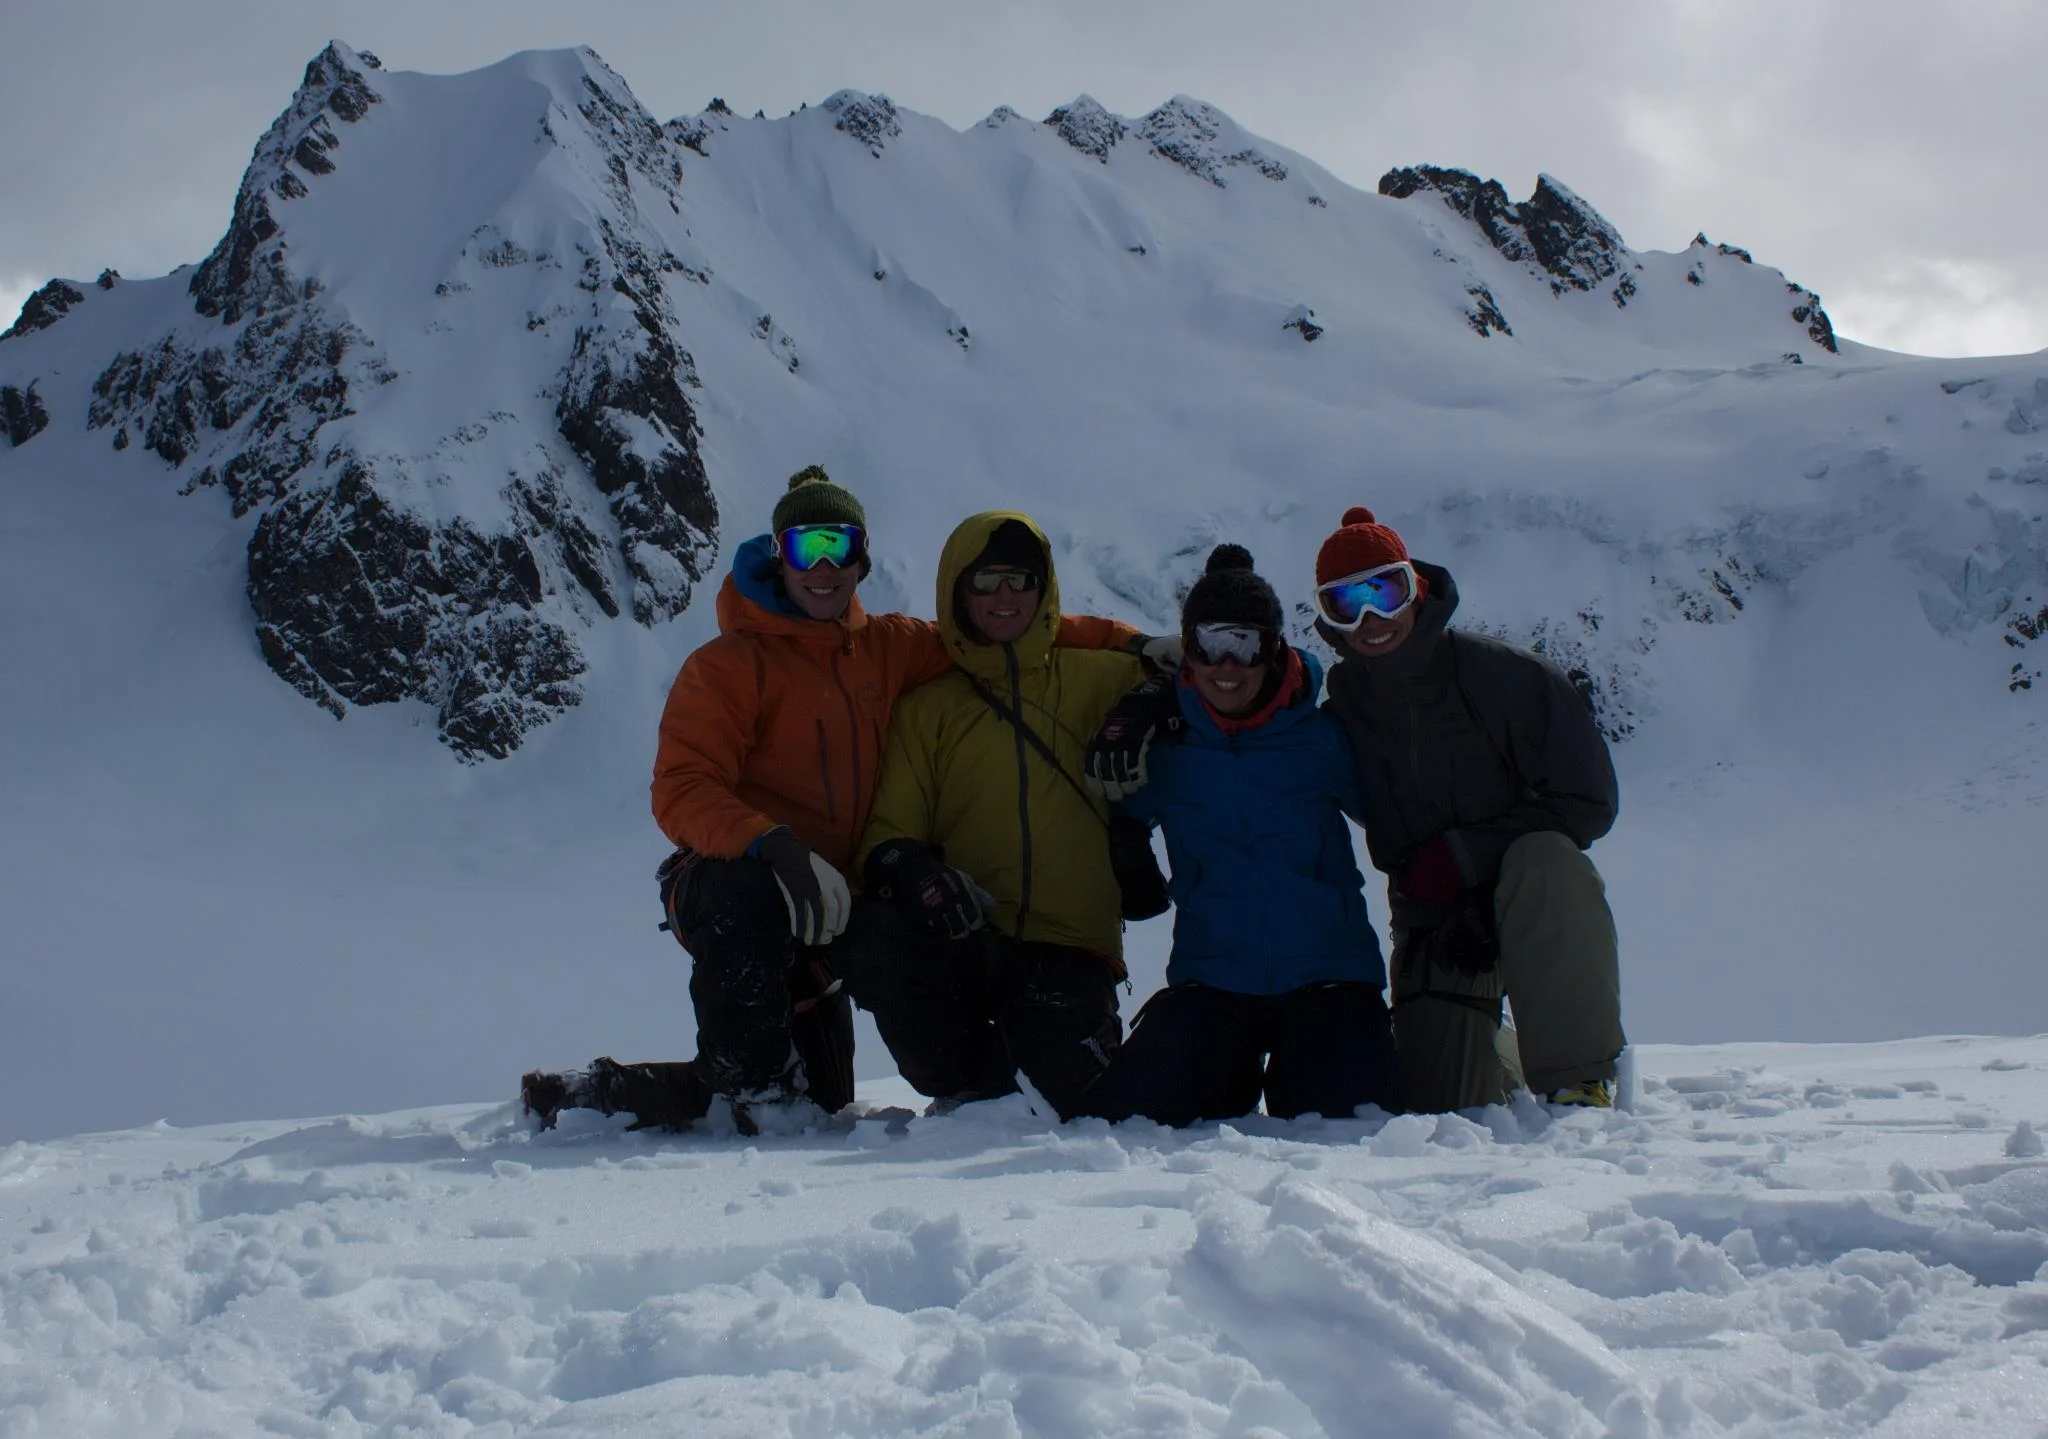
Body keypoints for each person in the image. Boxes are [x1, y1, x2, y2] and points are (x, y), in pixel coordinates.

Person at [518, 468, 1149, 1132]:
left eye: (839, 547)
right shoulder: (727, 666)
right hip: (741, 891)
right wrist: (772, 841)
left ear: (862, 559)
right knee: (752, 968)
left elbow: (999, 634)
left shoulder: (891, 647)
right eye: (803, 549)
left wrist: (1134, 645)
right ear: (778, 558)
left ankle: (616, 1092)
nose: (822, 567)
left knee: (819, 1101)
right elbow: (681, 786)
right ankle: (756, 1090)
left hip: (834, 906)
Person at [834, 511, 1149, 1119]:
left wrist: (1147, 702)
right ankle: (971, 1083)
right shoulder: (928, 707)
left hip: (1072, 948)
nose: (1005, 597)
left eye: (1020, 580)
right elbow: (885, 835)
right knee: (872, 932)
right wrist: (917, 871)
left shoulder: (1102, 679)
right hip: (970, 938)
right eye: (985, 582)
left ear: (1044, 589)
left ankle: (1004, 1081)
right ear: (958, 593)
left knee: (1069, 1100)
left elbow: (1227, 673)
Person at [1076, 546, 1403, 1127]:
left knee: (1352, 1127)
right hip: (1212, 984)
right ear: (1187, 649)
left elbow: (1398, 815)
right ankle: (1228, 1077)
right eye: (1209, 643)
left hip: (1329, 979)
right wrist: (1123, 842)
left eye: (1245, 644)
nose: (1227, 665)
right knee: (1122, 1122)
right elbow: (1114, 811)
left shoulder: (1319, 738)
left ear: (1273, 648)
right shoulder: (1168, 747)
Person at [1311, 506, 1624, 1112]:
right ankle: (1503, 1052)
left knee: (1548, 860)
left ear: (1416, 588)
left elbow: (1589, 803)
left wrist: (1466, 858)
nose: (1372, 618)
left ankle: (1577, 1078)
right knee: (1443, 1103)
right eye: (1347, 604)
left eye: (1385, 590)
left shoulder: (1510, 679)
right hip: (1435, 918)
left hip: (1532, 896)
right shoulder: (1344, 715)